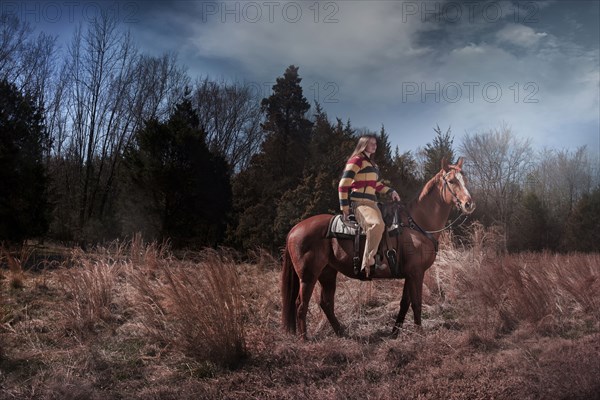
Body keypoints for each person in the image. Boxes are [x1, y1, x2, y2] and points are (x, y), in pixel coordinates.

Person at [338, 134, 401, 277]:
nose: (374, 146)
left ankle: (380, 258)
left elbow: (377, 185)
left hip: (373, 203)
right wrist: (345, 208)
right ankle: (368, 262)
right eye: (371, 143)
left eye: (375, 143)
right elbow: (343, 185)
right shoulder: (356, 160)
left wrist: (391, 191)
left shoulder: (373, 165)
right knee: (377, 225)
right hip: (360, 203)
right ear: (363, 145)